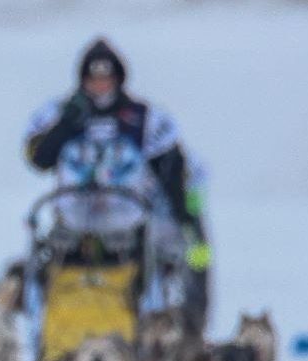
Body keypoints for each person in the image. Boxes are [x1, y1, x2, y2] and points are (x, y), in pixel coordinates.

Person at [23, 38, 211, 330]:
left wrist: (184, 216)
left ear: (119, 79)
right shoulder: (59, 114)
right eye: (93, 79)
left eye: (106, 78)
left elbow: (171, 169)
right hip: (73, 227)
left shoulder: (144, 119)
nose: (100, 86)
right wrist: (65, 126)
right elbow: (38, 159)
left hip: (130, 228)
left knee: (165, 267)